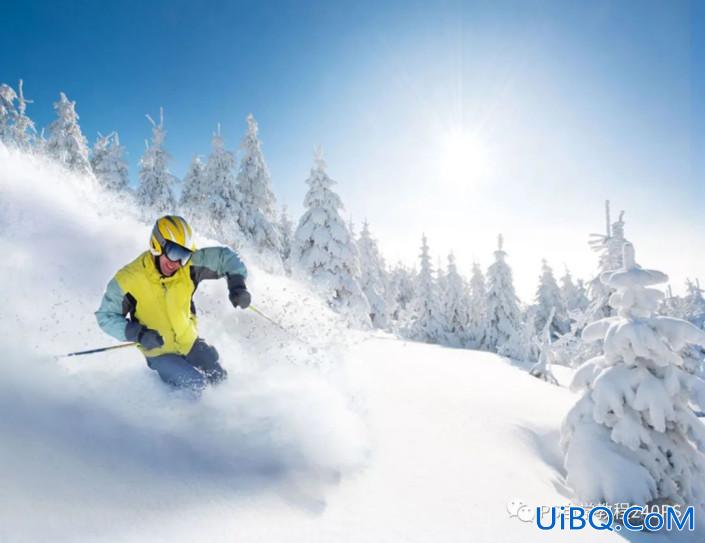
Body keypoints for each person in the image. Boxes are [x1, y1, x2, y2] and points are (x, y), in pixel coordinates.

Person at [95, 215, 251, 389]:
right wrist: (138, 334)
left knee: (220, 379)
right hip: (160, 353)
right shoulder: (128, 279)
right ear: (157, 245)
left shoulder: (188, 267)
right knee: (196, 385)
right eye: (174, 253)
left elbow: (225, 257)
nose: (177, 263)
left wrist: (237, 284)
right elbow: (106, 316)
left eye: (184, 255)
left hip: (190, 343)